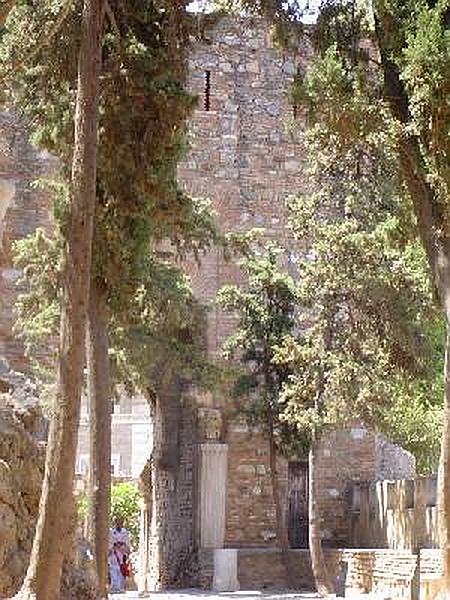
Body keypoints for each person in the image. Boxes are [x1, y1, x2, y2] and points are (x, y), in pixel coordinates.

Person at [108, 516, 131, 594]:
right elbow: (110, 542)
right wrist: (113, 546)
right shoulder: (111, 532)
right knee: (113, 569)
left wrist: (124, 547)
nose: (119, 524)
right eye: (117, 522)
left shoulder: (125, 532)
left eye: (120, 522)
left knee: (122, 570)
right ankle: (115, 586)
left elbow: (127, 542)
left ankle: (120, 587)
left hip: (122, 553)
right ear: (114, 523)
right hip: (114, 554)